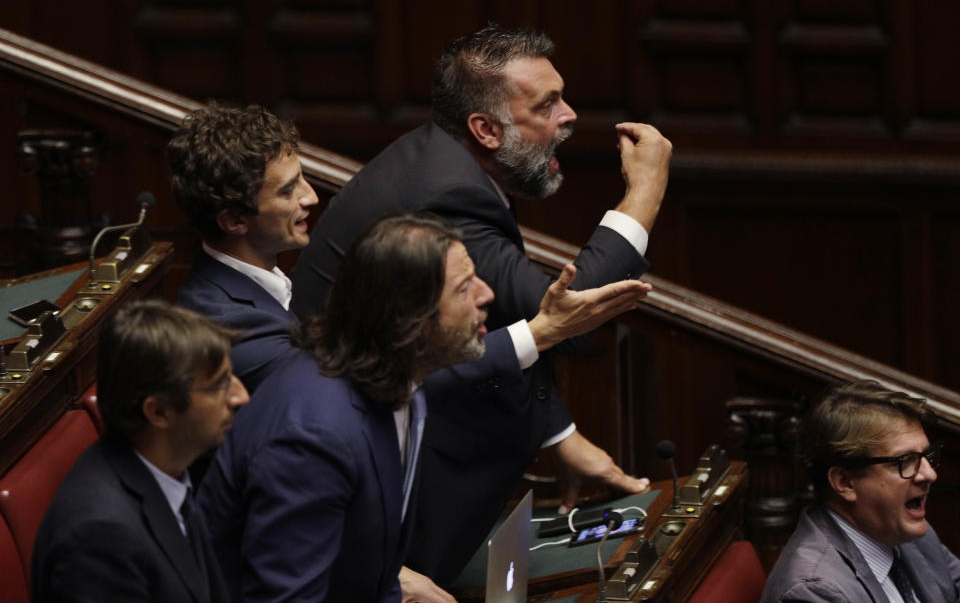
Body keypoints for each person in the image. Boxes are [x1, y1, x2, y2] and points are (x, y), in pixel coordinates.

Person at [289, 23, 670, 583]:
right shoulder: (446, 193)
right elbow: (569, 315)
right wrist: (646, 192)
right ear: (486, 129)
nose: (569, 115)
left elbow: (515, 315)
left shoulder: (449, 163)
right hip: (380, 479)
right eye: (548, 104)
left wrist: (555, 433)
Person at [200, 213, 646, 602]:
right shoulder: (312, 437)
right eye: (463, 288)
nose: (486, 294)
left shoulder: (397, 379)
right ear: (409, 322)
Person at [31, 300, 250, 603]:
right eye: (220, 385)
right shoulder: (100, 539)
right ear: (159, 412)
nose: (241, 396)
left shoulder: (168, 468)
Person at [762, 380, 960, 602]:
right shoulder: (814, 591)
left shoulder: (906, 532)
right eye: (905, 461)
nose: (929, 474)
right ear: (845, 483)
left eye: (926, 456)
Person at [169, 102, 318, 392]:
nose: (311, 197)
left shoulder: (255, 284)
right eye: (289, 190)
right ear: (235, 220)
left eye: (302, 178)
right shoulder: (234, 329)